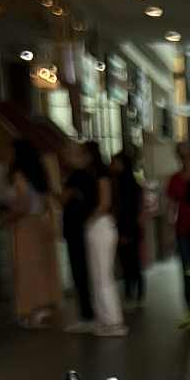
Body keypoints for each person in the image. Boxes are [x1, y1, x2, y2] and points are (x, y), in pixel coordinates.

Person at [7, 138, 61, 328]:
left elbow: (24, 203)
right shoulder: (40, 175)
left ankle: (30, 313)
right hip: (42, 223)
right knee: (43, 266)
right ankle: (44, 308)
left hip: (26, 225)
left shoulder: (19, 175)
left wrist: (9, 217)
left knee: (27, 269)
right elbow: (47, 202)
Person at [79, 141, 124, 337]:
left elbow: (104, 203)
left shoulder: (101, 175)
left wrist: (89, 220)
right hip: (99, 226)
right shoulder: (98, 174)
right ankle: (105, 319)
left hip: (101, 226)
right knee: (98, 275)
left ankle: (113, 321)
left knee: (103, 275)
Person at [59, 142, 97, 328]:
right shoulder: (89, 175)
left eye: (68, 153)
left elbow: (62, 199)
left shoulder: (76, 177)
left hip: (76, 229)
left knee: (79, 272)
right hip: (84, 228)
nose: (64, 158)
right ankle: (89, 311)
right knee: (86, 270)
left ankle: (86, 314)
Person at [110, 149, 143, 306]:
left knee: (130, 261)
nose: (112, 165)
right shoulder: (122, 182)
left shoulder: (126, 184)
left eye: (115, 162)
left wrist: (125, 232)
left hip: (127, 228)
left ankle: (134, 293)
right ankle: (135, 292)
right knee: (130, 261)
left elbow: (129, 210)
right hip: (128, 227)